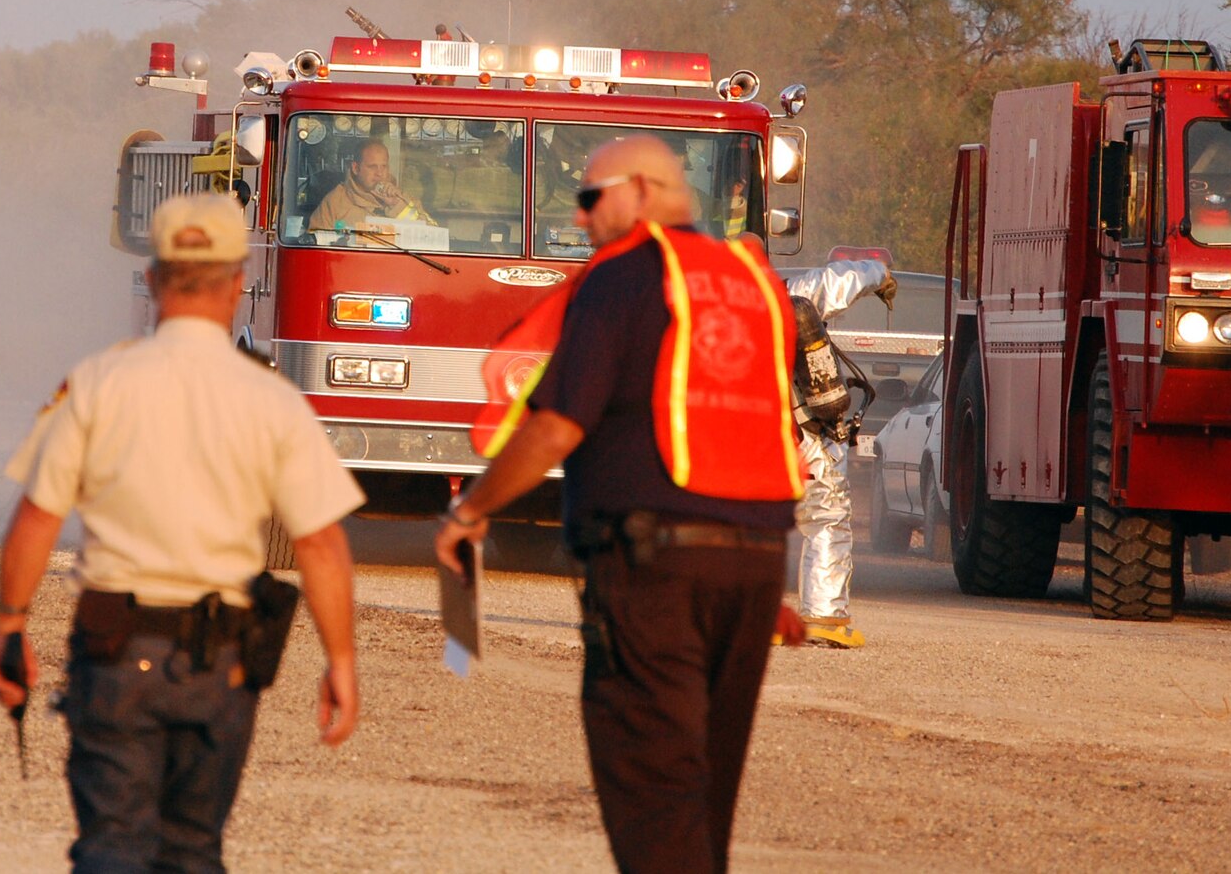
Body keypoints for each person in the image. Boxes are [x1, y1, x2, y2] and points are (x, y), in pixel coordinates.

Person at [435, 135, 807, 874]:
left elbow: (557, 424)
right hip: (752, 565)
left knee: (653, 783)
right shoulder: (749, 282)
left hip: (652, 567)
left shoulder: (624, 276)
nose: (579, 220)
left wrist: (471, 511)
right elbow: (759, 421)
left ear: (639, 191)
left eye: (588, 198)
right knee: (707, 788)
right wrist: (765, 577)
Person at [0, 191, 363, 872]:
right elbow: (321, 544)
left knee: (113, 847)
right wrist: (340, 661)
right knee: (192, 851)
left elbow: (37, 516)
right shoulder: (272, 400)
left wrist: (10, 625)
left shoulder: (97, 384)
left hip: (113, 652)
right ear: (237, 280)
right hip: (220, 664)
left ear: (155, 279)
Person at [784, 259, 895, 648]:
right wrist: (880, 274)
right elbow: (837, 280)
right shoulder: (790, 293)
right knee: (826, 516)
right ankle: (824, 614)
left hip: (736, 434)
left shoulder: (699, 302)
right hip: (803, 433)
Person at [306, 139, 434, 231]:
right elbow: (315, 248)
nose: (380, 173)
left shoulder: (403, 199)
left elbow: (433, 235)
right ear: (356, 168)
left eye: (383, 166)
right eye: (372, 167)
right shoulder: (335, 203)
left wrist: (396, 206)